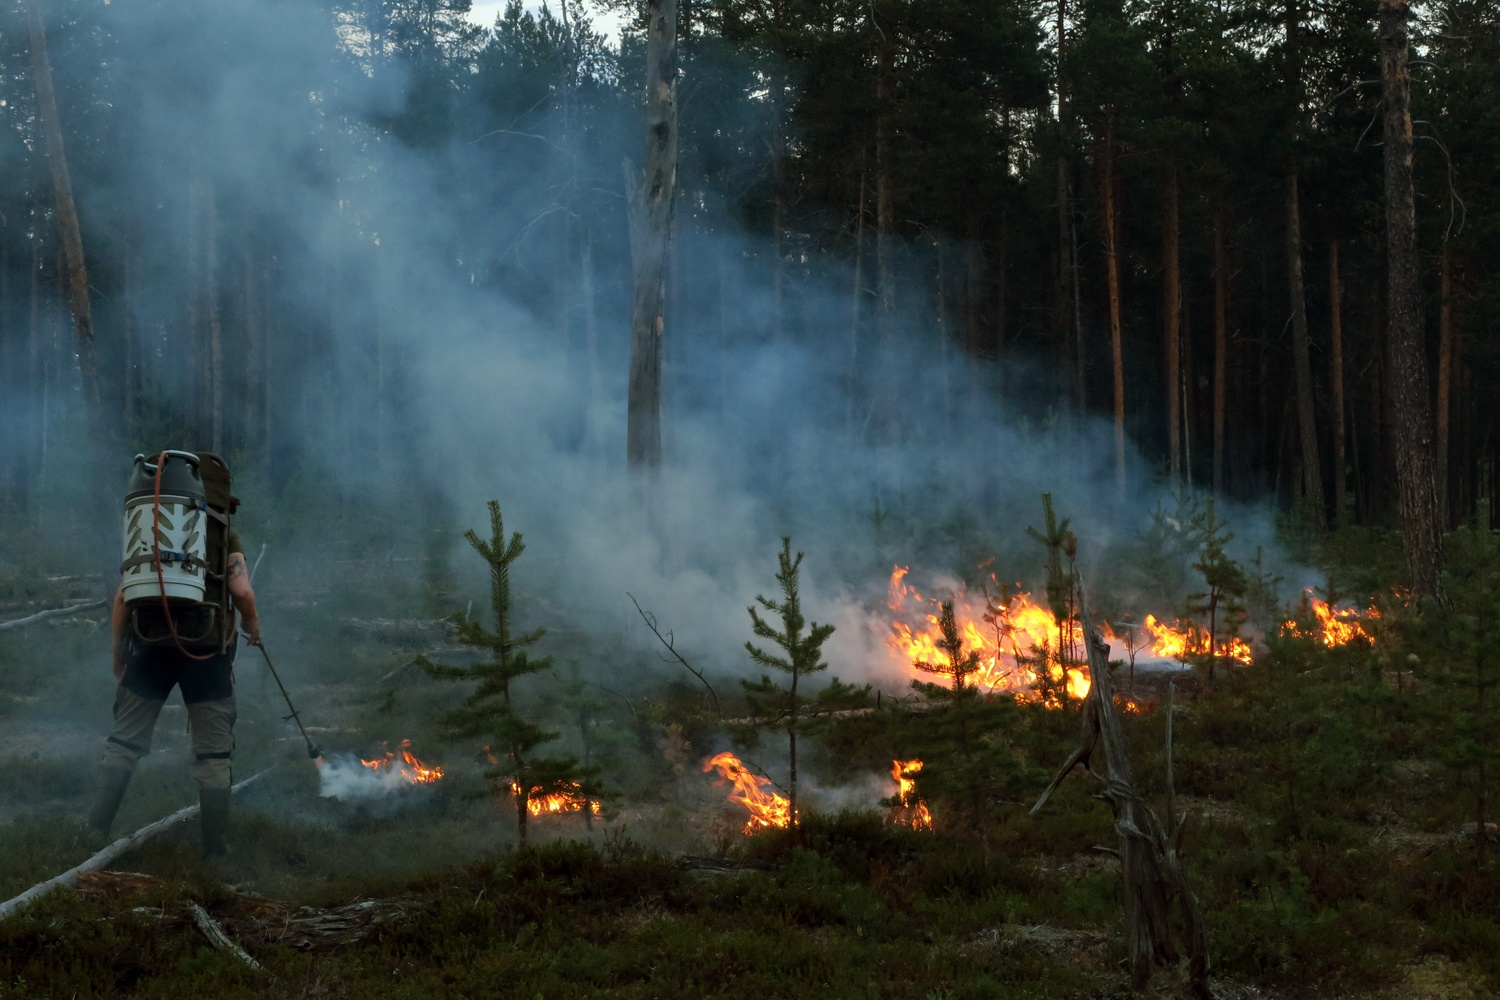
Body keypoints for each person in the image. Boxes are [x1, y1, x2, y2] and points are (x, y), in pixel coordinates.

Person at [88, 529, 261, 857]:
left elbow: (124, 597)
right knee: (213, 754)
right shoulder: (222, 531)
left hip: (149, 645)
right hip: (208, 650)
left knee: (123, 743)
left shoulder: (147, 523)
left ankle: (93, 833)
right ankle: (214, 853)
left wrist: (117, 651)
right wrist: (251, 621)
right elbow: (242, 592)